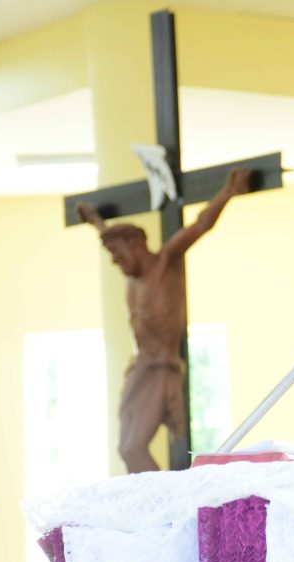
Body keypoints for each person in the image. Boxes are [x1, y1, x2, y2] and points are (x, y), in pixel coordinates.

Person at [77, 168, 252, 474]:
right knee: (124, 447)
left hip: (161, 367)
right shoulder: (133, 281)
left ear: (135, 245)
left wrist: (228, 192)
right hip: (141, 367)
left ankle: (161, 499)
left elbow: (200, 225)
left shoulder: (165, 262)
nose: (116, 262)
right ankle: (147, 497)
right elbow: (110, 236)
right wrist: (95, 222)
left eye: (118, 254)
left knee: (134, 447)